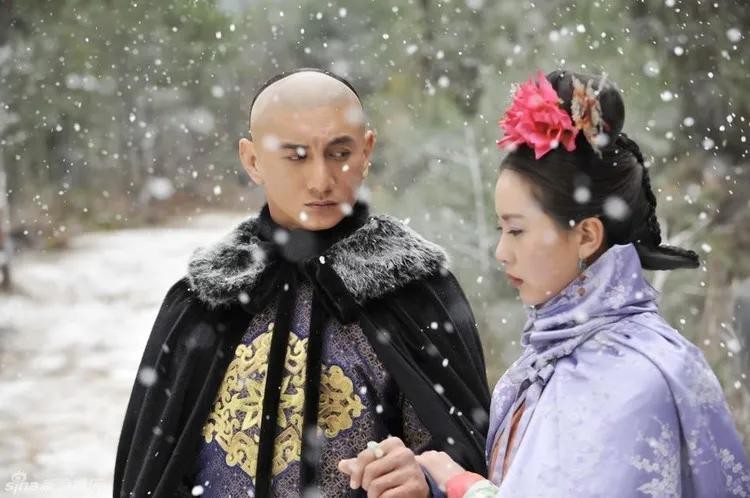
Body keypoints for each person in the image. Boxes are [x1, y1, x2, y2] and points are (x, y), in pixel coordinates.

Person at [340, 70, 750, 497]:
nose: (501, 252)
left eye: (517, 230)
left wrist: (460, 485)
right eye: (501, 229)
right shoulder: (553, 361)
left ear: (587, 235)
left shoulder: (630, 380)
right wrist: (429, 483)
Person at [113, 68, 490, 498]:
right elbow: (153, 473)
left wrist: (425, 481)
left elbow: (470, 463)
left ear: (367, 150)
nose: (321, 180)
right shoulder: (207, 299)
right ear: (252, 160)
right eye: (295, 156)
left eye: (339, 152)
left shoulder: (413, 292)